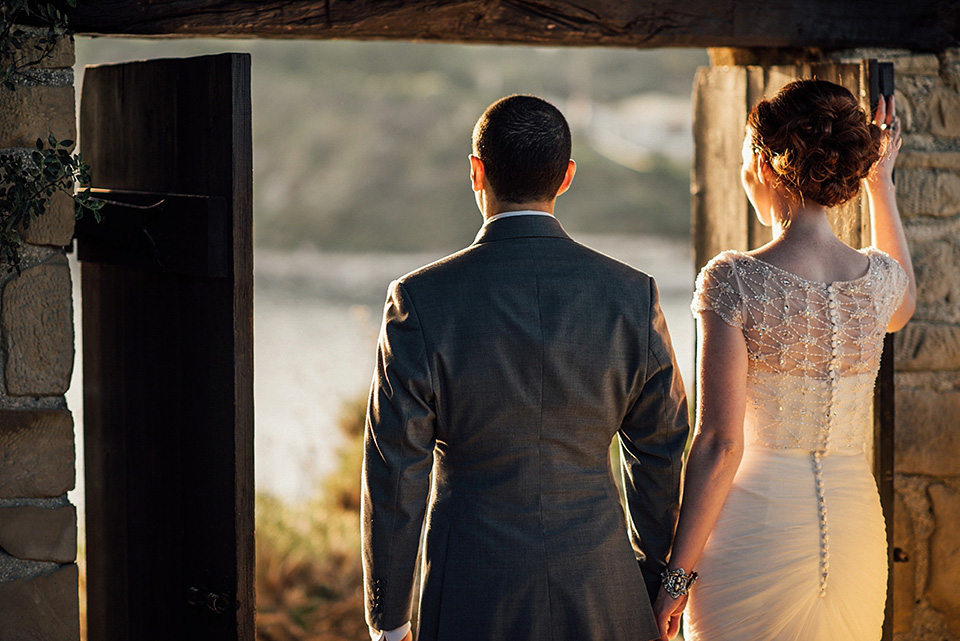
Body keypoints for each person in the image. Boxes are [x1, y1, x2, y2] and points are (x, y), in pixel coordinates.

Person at [360, 94, 689, 641]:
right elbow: (661, 451)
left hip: (470, 593)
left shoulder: (420, 300)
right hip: (605, 590)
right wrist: (658, 578)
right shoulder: (631, 295)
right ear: (566, 178)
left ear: (476, 172)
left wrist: (389, 621)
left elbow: (395, 472)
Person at [653, 79, 916, 641]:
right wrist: (881, 186)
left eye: (749, 155)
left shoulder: (734, 280)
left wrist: (675, 578)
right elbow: (906, 303)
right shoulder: (880, 284)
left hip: (755, 529)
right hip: (855, 531)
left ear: (768, 166)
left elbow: (720, 442)